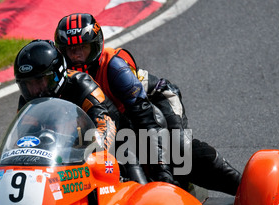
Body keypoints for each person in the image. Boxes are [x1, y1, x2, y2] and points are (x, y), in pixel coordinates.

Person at [54, 13, 241, 195]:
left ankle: (237, 185)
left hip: (156, 99)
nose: (77, 56)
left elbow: (146, 121)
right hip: (122, 116)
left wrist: (162, 170)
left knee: (176, 148)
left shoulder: (115, 68)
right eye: (71, 50)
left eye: (83, 48)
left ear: (95, 46)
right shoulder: (62, 78)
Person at [14, 39, 147, 184]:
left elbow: (105, 126)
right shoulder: (28, 101)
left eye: (39, 81)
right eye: (28, 84)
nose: (35, 90)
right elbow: (23, 140)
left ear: (56, 75)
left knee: (139, 188)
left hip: (114, 149)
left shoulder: (82, 85)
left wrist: (93, 155)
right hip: (60, 161)